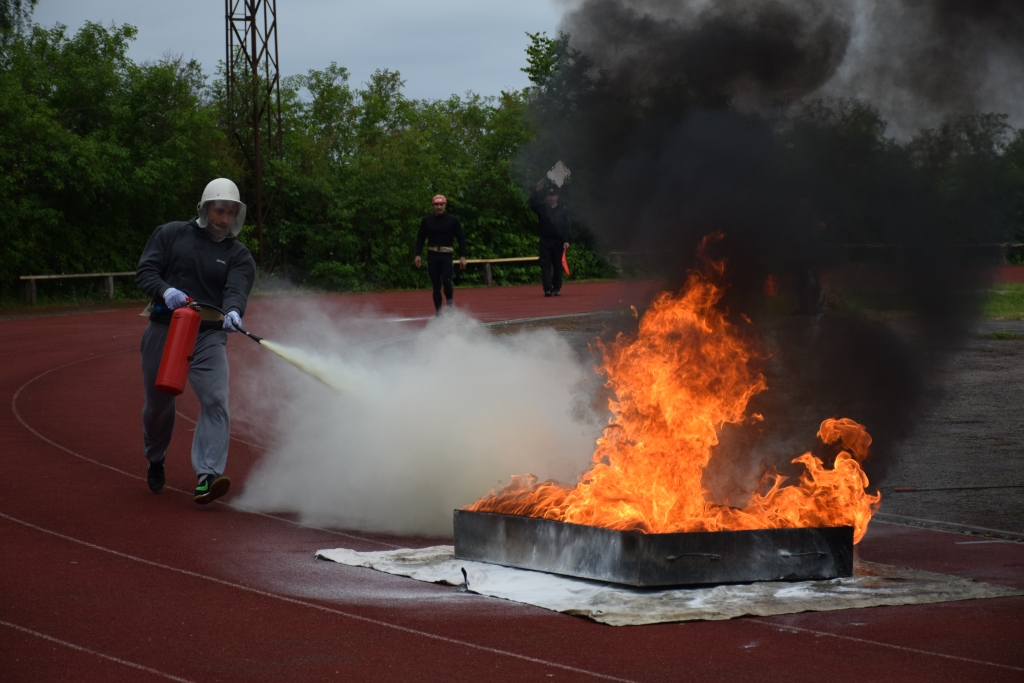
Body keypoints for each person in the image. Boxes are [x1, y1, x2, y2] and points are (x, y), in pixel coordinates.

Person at [135, 178, 256, 504]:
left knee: (216, 399)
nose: (224, 219)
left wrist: (233, 311)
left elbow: (236, 289)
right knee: (158, 407)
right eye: (219, 210)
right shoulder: (171, 234)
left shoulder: (239, 255)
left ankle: (208, 475)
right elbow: (145, 272)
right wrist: (166, 290)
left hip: (208, 336)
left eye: (231, 213)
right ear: (205, 208)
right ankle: (155, 456)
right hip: (165, 330)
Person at [414, 194, 466, 316]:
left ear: (445, 205)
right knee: (436, 285)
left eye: (441, 204)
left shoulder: (453, 220)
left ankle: (449, 306)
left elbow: (461, 238)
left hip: (446, 255)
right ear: (433, 206)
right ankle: (438, 313)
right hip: (432, 255)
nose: (439, 207)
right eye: (436, 205)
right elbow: (420, 237)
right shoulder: (427, 220)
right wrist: (417, 254)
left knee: (447, 282)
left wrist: (463, 256)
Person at [529, 179, 571, 297]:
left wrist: (567, 240)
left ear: (556, 196)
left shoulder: (563, 210)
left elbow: (567, 226)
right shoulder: (542, 208)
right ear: (546, 197)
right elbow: (532, 203)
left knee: (558, 265)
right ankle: (547, 289)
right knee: (545, 265)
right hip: (545, 241)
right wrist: (537, 190)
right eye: (548, 195)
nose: (550, 198)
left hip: (558, 241)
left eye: (553, 195)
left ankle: (556, 288)